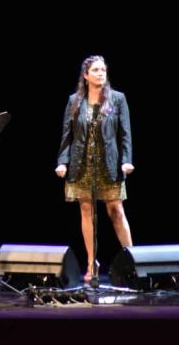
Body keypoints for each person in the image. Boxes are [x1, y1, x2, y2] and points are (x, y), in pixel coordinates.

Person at [55, 55, 134, 283]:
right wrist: (62, 161)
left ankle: (133, 260)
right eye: (96, 70)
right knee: (86, 210)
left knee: (115, 210)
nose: (101, 73)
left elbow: (125, 133)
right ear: (86, 75)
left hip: (108, 163)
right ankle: (92, 263)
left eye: (103, 70)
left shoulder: (118, 99)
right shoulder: (74, 101)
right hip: (82, 163)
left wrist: (127, 160)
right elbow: (67, 134)